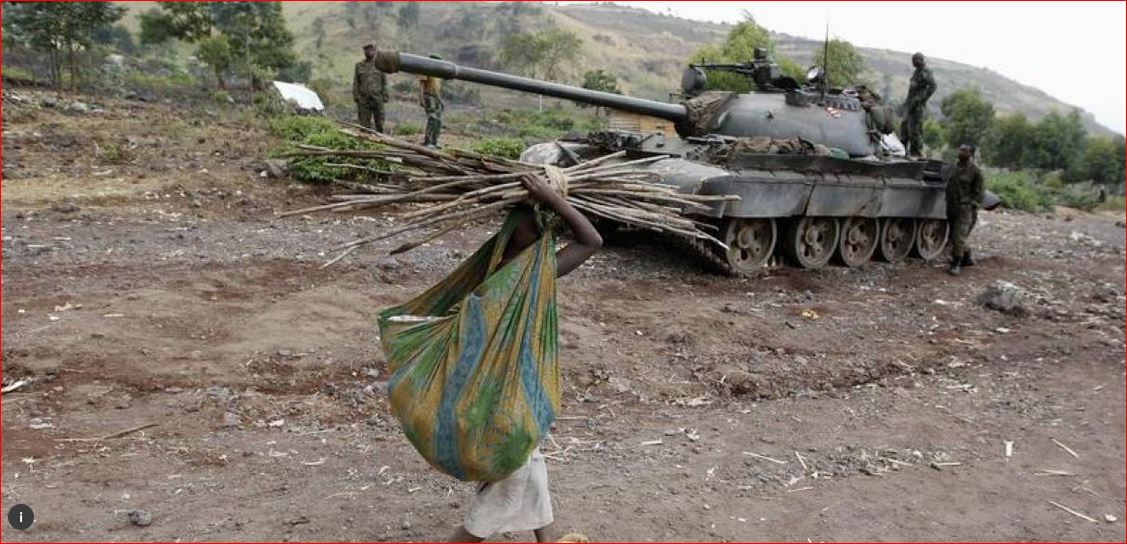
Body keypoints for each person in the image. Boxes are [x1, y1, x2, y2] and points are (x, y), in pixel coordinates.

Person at [448, 173, 601, 543]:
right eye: (530, 224)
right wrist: (553, 199)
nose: (538, 230)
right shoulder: (515, 274)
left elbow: (590, 240)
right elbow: (591, 241)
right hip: (501, 402)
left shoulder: (527, 271)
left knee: (532, 474)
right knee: (507, 489)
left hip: (512, 396)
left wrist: (550, 200)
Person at [946, 144, 984, 276]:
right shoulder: (954, 167)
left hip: (965, 208)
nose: (960, 152)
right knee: (953, 236)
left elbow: (979, 192)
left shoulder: (975, 171)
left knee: (958, 236)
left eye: (964, 150)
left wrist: (972, 205)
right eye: (960, 149)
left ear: (970, 154)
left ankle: (956, 263)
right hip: (952, 206)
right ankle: (967, 257)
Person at [900, 52, 936, 157]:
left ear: (920, 60)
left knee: (915, 130)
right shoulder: (917, 72)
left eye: (915, 60)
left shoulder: (926, 72)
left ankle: (916, 153)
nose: (913, 63)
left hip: (917, 107)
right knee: (904, 128)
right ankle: (902, 150)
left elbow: (933, 86)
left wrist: (921, 99)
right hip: (910, 105)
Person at [354, 43, 388, 132]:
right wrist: (357, 97)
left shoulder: (380, 64)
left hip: (377, 98)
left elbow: (384, 82)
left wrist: (385, 96)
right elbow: (356, 82)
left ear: (374, 50)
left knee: (380, 124)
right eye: (366, 49)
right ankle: (365, 140)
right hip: (363, 99)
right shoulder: (359, 65)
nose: (368, 51)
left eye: (370, 49)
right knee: (364, 126)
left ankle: (381, 139)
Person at [419, 55, 445, 148]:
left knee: (438, 121)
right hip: (429, 96)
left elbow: (438, 88)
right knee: (432, 119)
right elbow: (421, 85)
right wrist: (421, 98)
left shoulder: (438, 73)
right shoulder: (426, 70)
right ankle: (428, 141)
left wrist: (440, 100)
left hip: (436, 97)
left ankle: (434, 141)